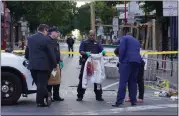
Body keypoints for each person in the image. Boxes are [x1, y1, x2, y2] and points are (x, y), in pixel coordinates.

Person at [25, 24, 57, 107]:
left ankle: (46, 95)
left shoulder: (30, 38)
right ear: (45, 30)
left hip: (32, 65)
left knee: (38, 84)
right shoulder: (46, 40)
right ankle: (40, 102)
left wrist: (28, 58)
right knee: (41, 85)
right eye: (47, 31)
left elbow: (27, 52)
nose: (48, 33)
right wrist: (54, 65)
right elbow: (51, 53)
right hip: (43, 66)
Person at [112, 32, 142, 107]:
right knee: (133, 82)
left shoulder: (124, 38)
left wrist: (121, 60)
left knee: (123, 81)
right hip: (137, 62)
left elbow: (122, 49)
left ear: (126, 34)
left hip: (127, 61)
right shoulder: (137, 41)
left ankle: (119, 101)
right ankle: (133, 101)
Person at [77, 30, 106, 101]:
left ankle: (99, 96)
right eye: (91, 35)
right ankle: (80, 95)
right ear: (88, 35)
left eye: (93, 35)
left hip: (95, 63)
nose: (92, 37)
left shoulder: (97, 43)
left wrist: (103, 52)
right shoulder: (84, 42)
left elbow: (102, 50)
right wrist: (85, 53)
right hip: (86, 63)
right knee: (82, 79)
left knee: (97, 79)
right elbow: (80, 51)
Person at [47, 27, 64, 102]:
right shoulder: (48, 41)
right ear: (52, 32)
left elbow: (57, 51)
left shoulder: (56, 41)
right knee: (51, 80)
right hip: (51, 65)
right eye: (56, 32)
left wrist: (60, 59)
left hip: (57, 64)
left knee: (57, 80)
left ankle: (56, 96)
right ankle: (49, 95)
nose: (58, 33)